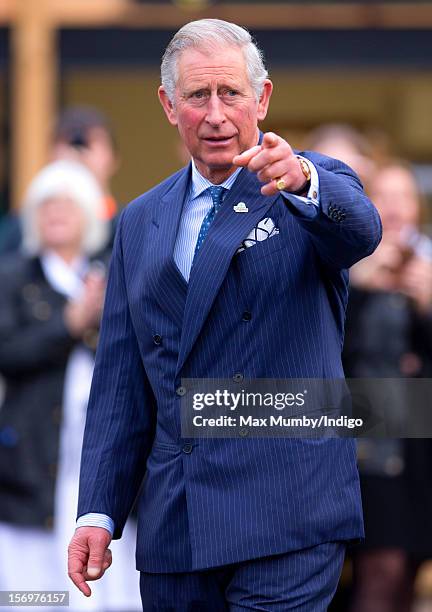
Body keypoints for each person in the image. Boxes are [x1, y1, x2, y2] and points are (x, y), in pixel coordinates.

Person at [68, 19, 382, 611]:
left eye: (231, 93)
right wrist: (97, 511)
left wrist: (305, 180)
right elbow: (120, 383)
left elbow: (361, 229)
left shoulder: (303, 181)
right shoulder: (139, 220)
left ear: (261, 98)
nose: (215, 114)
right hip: (177, 525)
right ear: (168, 105)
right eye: (197, 96)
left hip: (288, 516)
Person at [0, 160, 141, 610]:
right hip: (34, 452)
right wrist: (68, 323)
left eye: (66, 204)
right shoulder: (15, 277)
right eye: (45, 205)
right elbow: (8, 353)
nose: (55, 213)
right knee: (31, 590)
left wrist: (96, 320)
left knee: (110, 580)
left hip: (102, 447)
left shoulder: (112, 274)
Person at [343, 161, 432, 612]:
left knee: (406, 574)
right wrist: (359, 288)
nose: (396, 208)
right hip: (368, 445)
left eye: (405, 198)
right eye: (385, 196)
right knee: (381, 572)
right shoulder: (348, 264)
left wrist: (428, 307)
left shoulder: (428, 267)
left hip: (418, 449)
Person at [0, 106, 120, 255]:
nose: (78, 152)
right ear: (50, 156)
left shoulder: (127, 224)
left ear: (113, 158)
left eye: (92, 142)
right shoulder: (25, 225)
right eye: (68, 142)